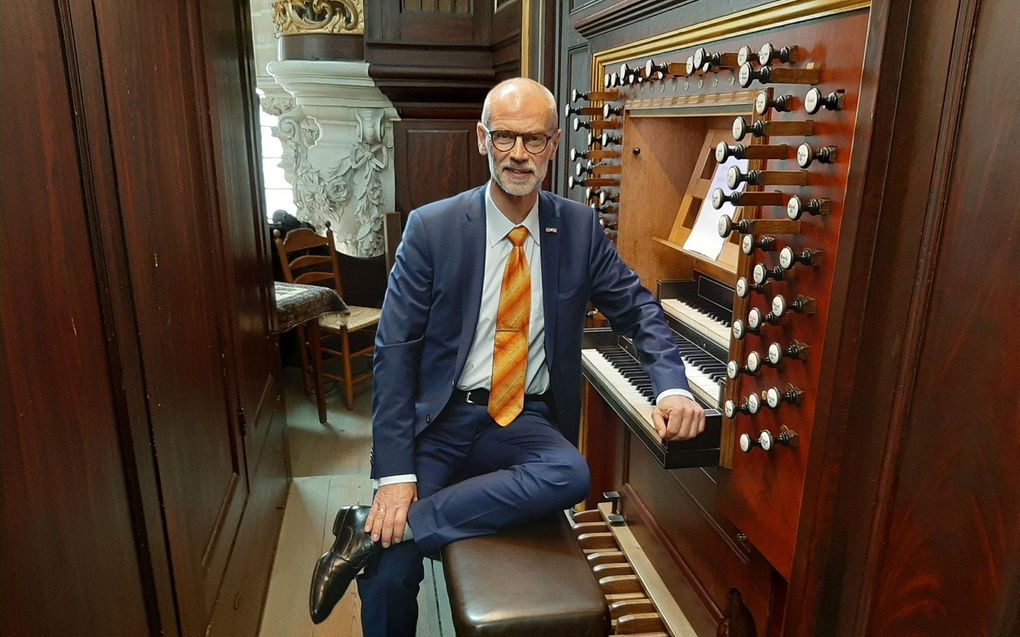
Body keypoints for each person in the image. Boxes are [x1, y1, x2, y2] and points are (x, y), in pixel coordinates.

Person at [309, 77, 706, 635]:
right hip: (441, 421)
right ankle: (384, 535)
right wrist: (395, 476)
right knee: (389, 571)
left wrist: (671, 385)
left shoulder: (578, 227)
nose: (519, 154)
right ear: (481, 139)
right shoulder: (433, 228)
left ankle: (370, 528)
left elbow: (638, 310)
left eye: (534, 140)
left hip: (521, 419)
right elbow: (394, 355)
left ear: (555, 143)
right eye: (504, 138)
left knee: (571, 473)